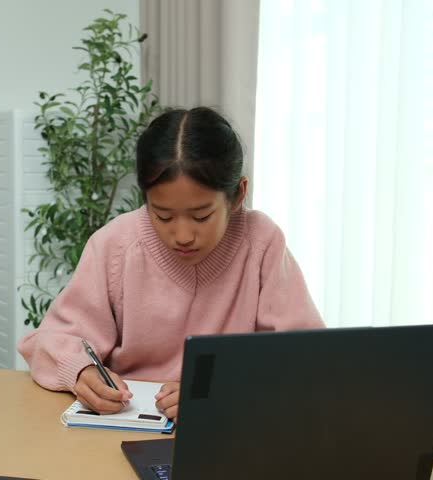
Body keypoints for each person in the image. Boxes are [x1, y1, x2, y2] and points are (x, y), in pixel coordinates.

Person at [18, 107, 324, 421]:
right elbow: (48, 340)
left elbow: (308, 357)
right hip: (126, 422)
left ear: (237, 196)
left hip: (229, 425)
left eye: (201, 216)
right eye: (163, 216)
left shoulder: (261, 242)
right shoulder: (115, 245)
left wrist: (226, 388)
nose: (182, 236)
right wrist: (80, 371)